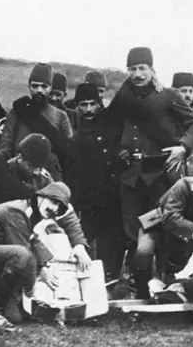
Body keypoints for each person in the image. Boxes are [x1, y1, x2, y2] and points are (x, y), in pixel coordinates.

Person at [108, 47, 193, 298]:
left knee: (161, 229)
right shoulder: (124, 95)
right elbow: (111, 127)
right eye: (132, 69)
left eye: (142, 68)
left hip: (159, 174)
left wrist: (183, 147)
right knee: (131, 231)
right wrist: (119, 149)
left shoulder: (168, 95)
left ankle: (166, 282)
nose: (137, 74)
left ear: (152, 69)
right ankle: (136, 286)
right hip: (130, 176)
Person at [0, 182, 92, 324]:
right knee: (22, 256)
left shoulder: (32, 213)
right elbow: (22, 249)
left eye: (59, 207)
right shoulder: (17, 211)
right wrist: (41, 272)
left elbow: (32, 239)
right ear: (41, 195)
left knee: (15, 317)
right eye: (53, 202)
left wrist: (47, 262)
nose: (54, 209)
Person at [66, 83, 125, 282]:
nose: (89, 109)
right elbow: (75, 176)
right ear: (77, 106)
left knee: (114, 244)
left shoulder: (112, 127)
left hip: (116, 197)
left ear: (100, 104)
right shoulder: (76, 140)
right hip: (91, 202)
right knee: (88, 243)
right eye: (84, 104)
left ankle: (112, 280)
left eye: (93, 104)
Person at [0, 63, 73, 181]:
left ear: (50, 88)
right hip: (19, 172)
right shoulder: (17, 112)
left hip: (50, 176)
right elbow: (6, 145)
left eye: (44, 86)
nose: (39, 90)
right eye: (35, 86)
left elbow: (68, 152)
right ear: (29, 86)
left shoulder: (61, 116)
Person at [0, 133, 53, 214]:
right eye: (30, 165)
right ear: (20, 157)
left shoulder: (43, 178)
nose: (33, 171)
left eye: (38, 167)